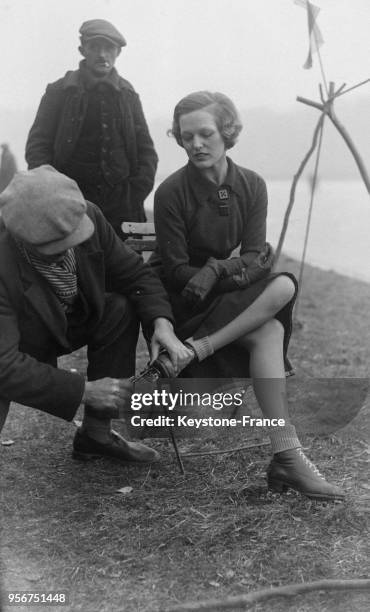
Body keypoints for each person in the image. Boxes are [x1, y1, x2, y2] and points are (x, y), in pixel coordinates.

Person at [150, 91, 344, 500]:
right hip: (188, 304)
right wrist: (237, 273)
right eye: (187, 137)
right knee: (270, 324)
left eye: (206, 133)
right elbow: (176, 271)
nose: (196, 144)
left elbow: (257, 255)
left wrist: (219, 268)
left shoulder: (252, 185)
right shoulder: (171, 192)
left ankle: (204, 352)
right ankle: (288, 457)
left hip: (223, 298)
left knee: (284, 287)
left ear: (227, 132)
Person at [0, 165, 192, 463]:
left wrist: (161, 324)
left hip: (69, 320)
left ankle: (96, 435)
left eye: (73, 239)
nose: (68, 250)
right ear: (21, 237)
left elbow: (136, 276)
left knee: (119, 309)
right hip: (18, 341)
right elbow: (4, 365)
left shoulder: (85, 214)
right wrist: (84, 391)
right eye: (54, 247)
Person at [25, 19, 158, 239]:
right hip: (69, 205)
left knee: (123, 269)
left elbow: (147, 152)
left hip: (121, 208)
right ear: (82, 50)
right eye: (95, 47)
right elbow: (37, 147)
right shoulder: (60, 91)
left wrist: (134, 194)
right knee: (71, 267)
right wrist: (53, 192)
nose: (102, 54)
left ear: (118, 53)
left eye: (109, 48)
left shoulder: (127, 94)